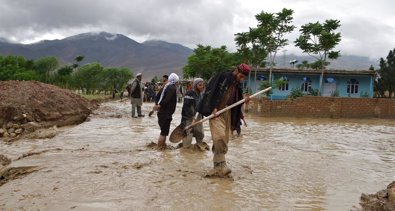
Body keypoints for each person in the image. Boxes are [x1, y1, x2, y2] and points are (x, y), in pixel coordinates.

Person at [197, 63, 251, 176]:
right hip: (216, 112)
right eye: (241, 76)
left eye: (243, 78)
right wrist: (213, 106)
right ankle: (222, 165)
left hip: (227, 112)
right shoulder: (223, 76)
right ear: (236, 71)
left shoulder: (237, 84)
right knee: (219, 137)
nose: (241, 79)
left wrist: (245, 100)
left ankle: (218, 166)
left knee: (225, 139)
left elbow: (237, 100)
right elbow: (212, 90)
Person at [179, 78, 209, 151]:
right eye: (200, 85)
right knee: (188, 134)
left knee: (200, 133)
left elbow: (203, 106)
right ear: (195, 85)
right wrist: (192, 118)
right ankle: (186, 149)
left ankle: (199, 147)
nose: (202, 86)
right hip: (188, 118)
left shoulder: (202, 94)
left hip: (198, 117)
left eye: (203, 85)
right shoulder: (190, 93)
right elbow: (186, 106)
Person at [153, 73, 179, 149]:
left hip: (161, 113)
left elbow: (157, 97)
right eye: (177, 81)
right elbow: (167, 99)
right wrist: (160, 105)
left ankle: (162, 146)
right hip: (165, 113)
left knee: (163, 131)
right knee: (164, 132)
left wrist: (158, 105)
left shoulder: (165, 87)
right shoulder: (172, 87)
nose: (178, 83)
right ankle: (160, 148)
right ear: (175, 81)